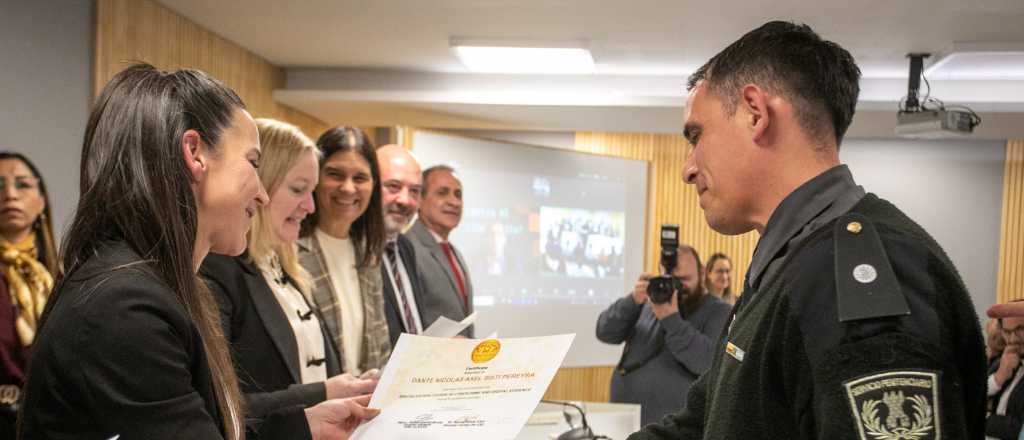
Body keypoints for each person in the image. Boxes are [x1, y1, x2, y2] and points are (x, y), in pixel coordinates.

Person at [628, 21, 985, 439]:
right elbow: (706, 422)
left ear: (755, 113)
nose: (689, 168)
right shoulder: (792, 264)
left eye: (696, 135)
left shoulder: (859, 275)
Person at [18, 64, 377, 440]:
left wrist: (305, 425)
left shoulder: (149, 285)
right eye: (253, 163)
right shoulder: (126, 306)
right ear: (195, 153)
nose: (262, 193)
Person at [200, 119, 379, 435]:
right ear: (260, 186)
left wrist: (345, 387)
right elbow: (221, 406)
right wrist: (323, 393)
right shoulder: (218, 272)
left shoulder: (284, 267)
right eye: (298, 189)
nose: (310, 206)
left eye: (311, 191)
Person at [596, 245, 730, 426]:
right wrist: (633, 300)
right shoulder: (652, 299)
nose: (675, 288)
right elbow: (605, 332)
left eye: (683, 279)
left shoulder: (718, 310)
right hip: (626, 420)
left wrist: (670, 319)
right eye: (670, 279)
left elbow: (707, 361)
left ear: (702, 272)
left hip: (673, 429)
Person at [298, 126, 390, 374]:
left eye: (360, 178)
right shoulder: (288, 251)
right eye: (335, 174)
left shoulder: (367, 254)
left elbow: (380, 349)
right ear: (314, 178)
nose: (348, 188)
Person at [0, 152, 58, 437]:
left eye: (22, 184)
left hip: (53, 421)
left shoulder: (65, 275)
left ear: (42, 201)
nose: (10, 194)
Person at [406, 165, 473, 337]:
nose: (454, 202)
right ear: (419, 199)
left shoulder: (455, 253)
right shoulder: (407, 248)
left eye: (458, 195)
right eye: (443, 192)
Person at [376, 144, 427, 345]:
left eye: (414, 191)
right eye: (393, 187)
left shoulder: (405, 247)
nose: (405, 200)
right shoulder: (352, 248)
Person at [988, 314, 1024, 440]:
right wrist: (999, 378)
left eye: (1021, 329)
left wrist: (984, 417)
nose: (1013, 339)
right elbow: (969, 400)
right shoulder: (1001, 360)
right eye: (1007, 332)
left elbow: (1017, 428)